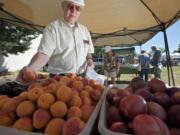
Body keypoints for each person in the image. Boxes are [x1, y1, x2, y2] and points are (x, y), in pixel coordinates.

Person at [16, 0, 94, 83]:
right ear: (63, 6)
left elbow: (88, 51)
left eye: (78, 8)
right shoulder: (53, 28)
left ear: (80, 11)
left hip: (81, 78)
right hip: (59, 79)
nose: (74, 11)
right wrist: (29, 69)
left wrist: (89, 59)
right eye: (70, 6)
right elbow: (44, 54)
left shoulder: (84, 30)